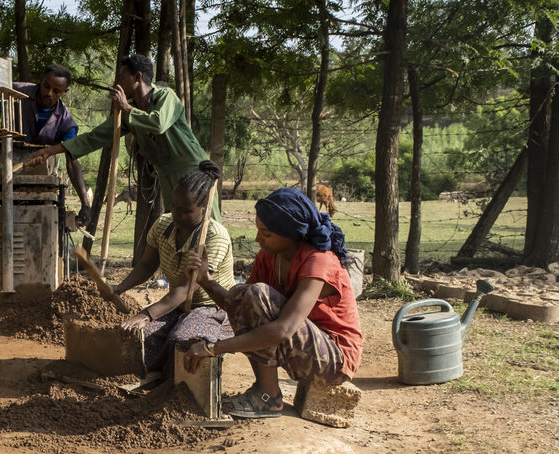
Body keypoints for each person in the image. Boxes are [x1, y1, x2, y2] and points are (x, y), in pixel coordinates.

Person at [181, 187, 363, 419]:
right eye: (259, 231)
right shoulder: (269, 257)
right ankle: (264, 391)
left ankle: (268, 397)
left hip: (333, 360)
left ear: (290, 233)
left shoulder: (318, 262)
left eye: (266, 234)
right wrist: (206, 280)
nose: (258, 239)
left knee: (257, 294)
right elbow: (238, 306)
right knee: (243, 293)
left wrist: (213, 349)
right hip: (303, 347)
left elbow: (283, 330)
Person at [28, 54, 218, 260]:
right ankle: (188, 280)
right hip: (167, 175)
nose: (117, 83)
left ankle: (218, 279)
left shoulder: (165, 96)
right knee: (181, 225)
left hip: (193, 170)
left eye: (122, 77)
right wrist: (52, 150)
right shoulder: (127, 113)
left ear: (137, 77)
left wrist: (126, 107)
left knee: (208, 225)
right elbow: (93, 138)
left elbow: (159, 123)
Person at [111, 161, 235, 373]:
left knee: (183, 342)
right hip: (176, 307)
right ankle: (155, 381)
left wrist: (146, 315)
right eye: (173, 206)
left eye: (185, 211)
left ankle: (181, 391)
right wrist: (119, 288)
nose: (176, 214)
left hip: (211, 308)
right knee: (139, 339)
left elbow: (185, 289)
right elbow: (147, 265)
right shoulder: (162, 225)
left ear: (203, 209)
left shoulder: (214, 237)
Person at [12, 64, 91, 226]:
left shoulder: (66, 122)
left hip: (40, 183)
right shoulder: (17, 93)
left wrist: (85, 204)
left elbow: (72, 159)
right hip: (8, 173)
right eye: (46, 86)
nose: (49, 93)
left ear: (64, 92)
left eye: (56, 91)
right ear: (41, 81)